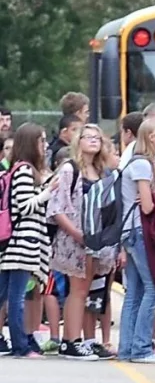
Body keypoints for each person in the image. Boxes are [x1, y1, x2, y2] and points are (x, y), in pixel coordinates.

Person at [48, 123, 118, 360]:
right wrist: (78, 234)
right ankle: (70, 340)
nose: (93, 141)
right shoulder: (70, 169)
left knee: (86, 289)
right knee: (77, 289)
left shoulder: (100, 171)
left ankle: (79, 340)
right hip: (74, 240)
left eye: (97, 137)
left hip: (95, 240)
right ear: (78, 141)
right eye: (88, 137)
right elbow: (57, 208)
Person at [0, 124, 56, 359]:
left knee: (5, 294)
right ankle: (20, 346)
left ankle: (19, 344)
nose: (44, 146)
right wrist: (47, 191)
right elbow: (24, 206)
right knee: (16, 298)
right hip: (21, 244)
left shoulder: (18, 169)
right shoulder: (24, 171)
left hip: (13, 244)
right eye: (41, 141)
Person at [117, 119, 155, 364]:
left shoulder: (134, 162)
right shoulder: (142, 165)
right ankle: (141, 348)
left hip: (128, 231)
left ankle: (127, 348)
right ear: (150, 138)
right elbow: (147, 206)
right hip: (139, 231)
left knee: (134, 292)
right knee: (153, 288)